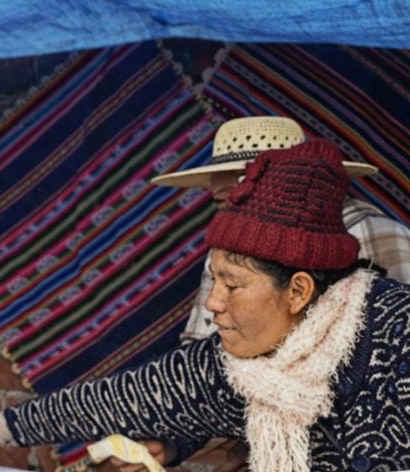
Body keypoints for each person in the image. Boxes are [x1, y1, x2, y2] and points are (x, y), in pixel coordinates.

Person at [0, 139, 410, 472]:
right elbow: (118, 398)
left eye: (233, 285)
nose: (213, 303)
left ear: (298, 291)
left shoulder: (395, 333)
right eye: (214, 281)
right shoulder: (235, 364)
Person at [151, 115, 410, 342]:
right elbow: (201, 338)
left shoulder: (376, 233)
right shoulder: (228, 248)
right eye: (222, 201)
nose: (231, 209)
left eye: (238, 193)